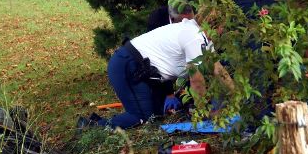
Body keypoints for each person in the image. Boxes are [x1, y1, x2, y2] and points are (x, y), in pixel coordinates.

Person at [78, 10, 234, 130]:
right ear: (216, 26)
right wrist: (204, 113)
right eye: (223, 27)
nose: (223, 32)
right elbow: (196, 79)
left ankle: (96, 122)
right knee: (140, 116)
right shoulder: (194, 36)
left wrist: (238, 97)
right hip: (126, 65)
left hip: (139, 69)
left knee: (157, 113)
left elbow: (219, 70)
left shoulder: (201, 36)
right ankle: (91, 126)